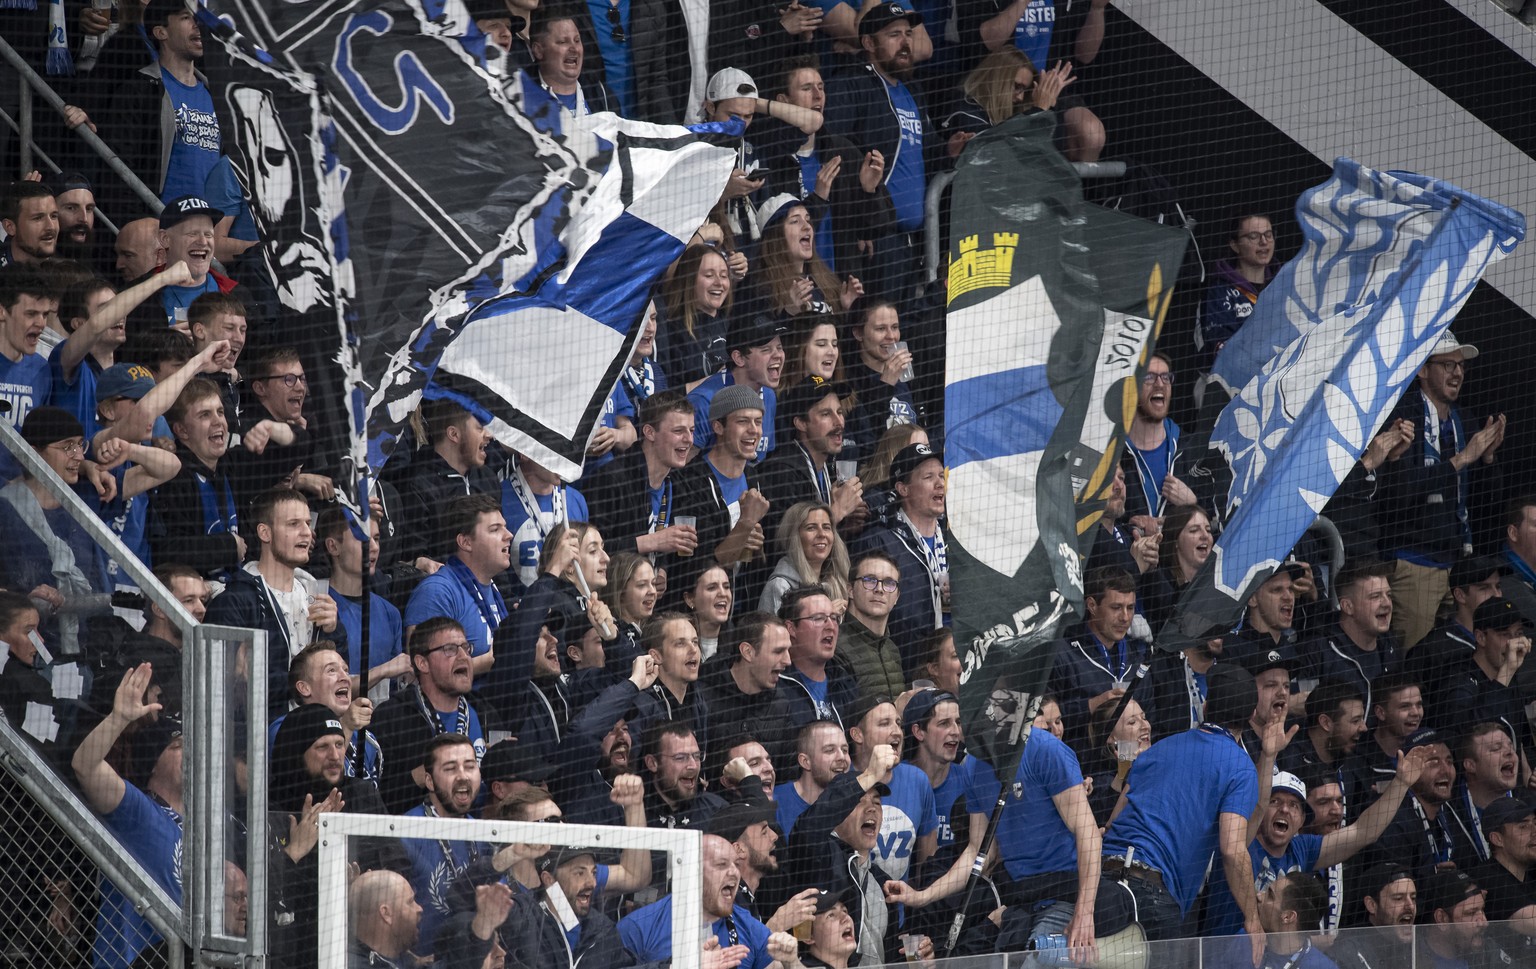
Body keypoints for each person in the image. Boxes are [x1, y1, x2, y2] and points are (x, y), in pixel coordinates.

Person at [1100, 665, 1278, 959]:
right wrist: (1252, 918)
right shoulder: (1240, 766)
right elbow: (1233, 850)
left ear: (1206, 706)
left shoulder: (1159, 747)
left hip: (1105, 881)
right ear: (1249, 717)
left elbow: (1114, 820)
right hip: (1153, 897)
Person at [1202, 748, 1426, 937]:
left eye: (1294, 805)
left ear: (1301, 821)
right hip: (1223, 956)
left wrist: (1401, 783)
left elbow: (1363, 832)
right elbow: (1257, 805)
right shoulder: (1241, 841)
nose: (1284, 810)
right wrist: (1269, 755)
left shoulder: (1303, 849)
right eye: (1275, 801)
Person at [1377, 330, 1507, 649]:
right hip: (1413, 564)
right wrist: (1461, 459)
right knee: (1410, 662)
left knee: (1457, 659)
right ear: (1422, 370)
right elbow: (1401, 492)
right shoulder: (1402, 417)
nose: (1458, 373)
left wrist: (1488, 459)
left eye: (1461, 366)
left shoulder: (1465, 420)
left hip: (1457, 567)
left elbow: (1490, 503)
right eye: (1448, 364)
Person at [70, 663, 183, 969]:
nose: (191, 754)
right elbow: (86, 767)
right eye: (178, 746)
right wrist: (118, 719)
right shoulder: (137, 810)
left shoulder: (209, 826)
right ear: (153, 763)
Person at [822, 3, 935, 305]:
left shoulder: (913, 91)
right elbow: (834, 152)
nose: (905, 42)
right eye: (894, 34)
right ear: (869, 43)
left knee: (903, 332)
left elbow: (928, 154)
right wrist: (861, 221)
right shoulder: (851, 84)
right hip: (873, 241)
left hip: (913, 242)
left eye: (908, 34)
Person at [204, 487, 339, 716]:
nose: (307, 533)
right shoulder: (235, 602)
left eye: (308, 523)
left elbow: (339, 675)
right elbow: (222, 690)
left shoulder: (315, 595)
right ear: (265, 533)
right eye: (293, 524)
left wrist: (334, 631)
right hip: (259, 741)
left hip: (313, 734)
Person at [370, 617, 506, 814]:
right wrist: (422, 775)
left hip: (477, 836)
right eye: (450, 649)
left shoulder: (485, 712)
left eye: (466, 648)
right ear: (422, 663)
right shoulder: (391, 718)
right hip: (414, 838)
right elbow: (375, 801)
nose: (463, 656)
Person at [620, 833, 797, 969]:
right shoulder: (638, 927)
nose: (734, 872)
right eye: (721, 865)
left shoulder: (750, 927)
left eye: (736, 864)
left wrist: (792, 962)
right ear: (692, 871)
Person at [848, 442, 946, 661]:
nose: (940, 484)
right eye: (928, 477)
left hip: (953, 667)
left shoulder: (955, 541)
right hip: (900, 667)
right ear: (903, 489)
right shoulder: (878, 542)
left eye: (941, 475)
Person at [582, 390, 702, 559]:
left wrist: (662, 570)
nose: (689, 439)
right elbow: (592, 550)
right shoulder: (611, 479)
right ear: (650, 432)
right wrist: (652, 542)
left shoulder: (680, 483)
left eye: (691, 430)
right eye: (678, 431)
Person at [402, 494, 509, 679]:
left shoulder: (492, 589)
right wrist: (490, 661)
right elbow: (420, 672)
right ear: (466, 542)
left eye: (505, 527)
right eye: (495, 529)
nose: (509, 535)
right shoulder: (437, 592)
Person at [399, 734, 489, 955]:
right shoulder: (405, 832)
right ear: (429, 781)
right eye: (450, 769)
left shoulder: (485, 835)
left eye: (470, 766)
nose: (462, 776)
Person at [672, 384, 774, 573]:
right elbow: (702, 567)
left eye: (758, 422)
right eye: (743, 421)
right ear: (718, 426)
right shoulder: (691, 482)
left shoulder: (755, 480)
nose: (754, 430)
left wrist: (758, 547)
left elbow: (760, 567)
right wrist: (745, 525)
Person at [148, 377, 244, 575]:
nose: (218, 421)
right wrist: (227, 546)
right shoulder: (174, 478)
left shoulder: (229, 467)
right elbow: (166, 551)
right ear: (182, 430)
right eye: (205, 415)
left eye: (220, 412)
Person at [754, 378, 864, 541]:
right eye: (826, 414)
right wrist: (838, 511)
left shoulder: (828, 468)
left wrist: (846, 527)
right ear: (801, 423)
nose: (839, 422)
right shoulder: (781, 473)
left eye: (839, 412)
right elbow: (783, 545)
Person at [1047, 566, 1148, 744]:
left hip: (1128, 764)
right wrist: (1090, 706)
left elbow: (1151, 714)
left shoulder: (1138, 657)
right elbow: (1041, 720)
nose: (1125, 617)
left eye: (1130, 608)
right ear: (1092, 606)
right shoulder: (1062, 655)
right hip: (1078, 766)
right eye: (1116, 607)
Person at [317, 507, 409, 699]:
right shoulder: (319, 607)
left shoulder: (390, 613)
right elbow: (322, 689)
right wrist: (383, 670)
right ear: (333, 546)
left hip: (381, 725)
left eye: (376, 538)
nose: (374, 547)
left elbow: (396, 687)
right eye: (363, 539)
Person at [397, 398, 499, 565]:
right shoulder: (417, 485)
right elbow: (416, 558)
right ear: (453, 434)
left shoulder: (488, 479)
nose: (489, 436)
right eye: (480, 428)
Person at [1354, 728, 1460, 880]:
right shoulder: (1393, 821)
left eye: (1449, 762)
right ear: (1409, 770)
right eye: (1433, 762)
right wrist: (1430, 878)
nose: (1446, 770)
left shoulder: (1450, 813)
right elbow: (1390, 887)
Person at [1298, 560, 1400, 712]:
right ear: (1348, 606)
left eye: (1388, 595)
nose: (1386, 603)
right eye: (1375, 596)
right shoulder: (1316, 650)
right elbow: (1304, 712)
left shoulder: (1390, 646)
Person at [699, 611, 795, 768]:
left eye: (788, 651)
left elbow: (788, 772)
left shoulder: (781, 703)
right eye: (778, 651)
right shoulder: (701, 698)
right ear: (748, 652)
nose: (788, 661)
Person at [1403, 554, 1503, 700]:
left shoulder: (1503, 639)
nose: (1497, 595)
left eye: (1498, 587)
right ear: (1460, 595)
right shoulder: (1432, 649)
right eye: (1484, 588)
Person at [688, 313, 786, 459]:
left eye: (779, 347)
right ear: (739, 358)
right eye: (766, 349)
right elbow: (681, 471)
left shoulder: (768, 395)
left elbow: (760, 462)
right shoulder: (703, 402)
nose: (778, 355)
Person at [1432, 596, 1530, 739]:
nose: (1514, 643)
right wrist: (1506, 672)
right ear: (1481, 637)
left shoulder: (1508, 675)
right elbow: (1469, 733)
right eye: (1504, 634)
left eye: (1519, 634)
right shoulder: (1458, 679)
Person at [1195, 215, 1279, 371]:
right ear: (1235, 244)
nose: (1264, 242)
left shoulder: (1283, 285)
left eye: (1268, 234)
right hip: (1227, 383)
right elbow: (1217, 344)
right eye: (1253, 236)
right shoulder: (1218, 291)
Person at [503, 449, 589, 593]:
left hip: (569, 610)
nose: (561, 457)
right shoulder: (499, 500)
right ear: (524, 453)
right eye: (551, 449)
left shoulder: (576, 500)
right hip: (523, 610)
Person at [842, 301, 920, 461]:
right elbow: (866, 443)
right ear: (858, 333)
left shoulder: (908, 375)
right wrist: (885, 384)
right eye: (881, 329)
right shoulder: (848, 383)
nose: (891, 336)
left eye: (895, 327)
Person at [1213, 872, 1337, 969]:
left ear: (1288, 917)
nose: (1259, 896)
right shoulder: (1244, 941)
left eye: (1270, 895)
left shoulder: (1322, 967)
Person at [778, 586, 859, 730]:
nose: (831, 626)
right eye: (818, 618)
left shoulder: (845, 681)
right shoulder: (775, 685)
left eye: (834, 618)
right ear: (791, 628)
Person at [656, 245, 733, 390]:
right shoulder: (672, 330)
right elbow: (667, 394)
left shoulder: (732, 326)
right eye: (709, 275)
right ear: (689, 280)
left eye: (724, 276)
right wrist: (719, 379)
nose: (719, 283)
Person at [1469, 798, 1536, 963]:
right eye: (1523, 826)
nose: (1534, 831)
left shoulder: (1530, 875)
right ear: (1497, 839)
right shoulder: (1487, 878)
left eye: (1535, 823)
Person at [1446, 723, 1520, 866]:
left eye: (1510, 746)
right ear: (1471, 765)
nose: (1509, 752)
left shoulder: (1530, 804)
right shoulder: (1449, 814)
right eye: (1496, 749)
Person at [760, 501, 850, 614]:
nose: (822, 534)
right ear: (794, 536)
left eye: (826, 527)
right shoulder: (779, 586)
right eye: (811, 528)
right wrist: (826, 615)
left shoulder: (838, 583)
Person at [838, 552, 906, 699]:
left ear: (897, 597)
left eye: (889, 583)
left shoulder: (892, 649)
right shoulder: (836, 645)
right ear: (850, 590)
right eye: (869, 580)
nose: (879, 589)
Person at [1138, 503, 1214, 633]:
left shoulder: (1216, 587)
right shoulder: (1157, 583)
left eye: (1208, 530)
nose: (1205, 535)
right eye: (1194, 530)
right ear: (1175, 541)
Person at [640, 721, 728, 829]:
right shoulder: (633, 810)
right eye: (680, 758)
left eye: (697, 756)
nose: (693, 766)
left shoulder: (716, 810)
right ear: (652, 763)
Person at [1329, 864, 1416, 969]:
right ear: (1372, 905)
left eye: (1413, 898)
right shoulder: (1347, 953)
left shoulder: (1418, 947)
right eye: (1398, 898)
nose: (1410, 906)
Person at [0, 266, 56, 432]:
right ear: (2, 311)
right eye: (31, 314)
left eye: (45, 314)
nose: (41, 324)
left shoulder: (41, 369)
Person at [775, 719, 850, 836]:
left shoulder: (855, 801)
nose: (842, 757)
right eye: (830, 750)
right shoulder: (776, 803)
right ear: (805, 762)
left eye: (845, 750)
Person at [1418, 869, 1495, 969]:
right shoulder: (1410, 959)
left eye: (1483, 910)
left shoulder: (1489, 951)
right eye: (1471, 913)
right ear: (1441, 919)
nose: (1484, 922)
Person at [346, 870, 422, 969]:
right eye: (410, 902)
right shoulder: (355, 965)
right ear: (386, 913)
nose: (419, 908)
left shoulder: (400, 960)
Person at [0, 182, 57, 268]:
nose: (51, 227)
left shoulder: (68, 269)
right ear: (10, 227)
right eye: (38, 218)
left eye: (54, 216)